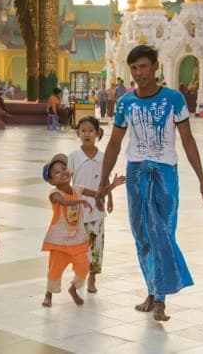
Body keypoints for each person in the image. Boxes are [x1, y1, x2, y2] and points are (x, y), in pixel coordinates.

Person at [95, 45, 203, 321]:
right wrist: (102, 182)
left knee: (163, 233)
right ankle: (152, 289)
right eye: (134, 68)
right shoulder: (125, 103)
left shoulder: (173, 99)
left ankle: (160, 299)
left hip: (165, 175)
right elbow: (114, 143)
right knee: (142, 236)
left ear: (156, 67)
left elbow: (187, 140)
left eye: (144, 67)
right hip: (136, 174)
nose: (139, 73)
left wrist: (202, 179)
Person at [41, 153, 124, 308]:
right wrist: (80, 200)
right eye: (57, 172)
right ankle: (48, 294)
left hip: (77, 239)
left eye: (64, 168)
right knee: (55, 269)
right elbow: (64, 202)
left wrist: (111, 186)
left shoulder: (78, 189)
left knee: (84, 265)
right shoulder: (54, 194)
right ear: (51, 181)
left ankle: (73, 288)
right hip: (59, 240)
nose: (63, 172)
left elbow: (98, 194)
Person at [68, 117, 112, 293]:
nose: (87, 134)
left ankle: (92, 279)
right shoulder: (73, 157)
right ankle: (79, 276)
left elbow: (105, 178)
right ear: (78, 133)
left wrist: (110, 198)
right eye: (83, 131)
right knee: (79, 246)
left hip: (97, 209)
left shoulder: (103, 157)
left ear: (98, 133)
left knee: (96, 246)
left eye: (90, 131)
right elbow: (67, 181)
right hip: (78, 209)